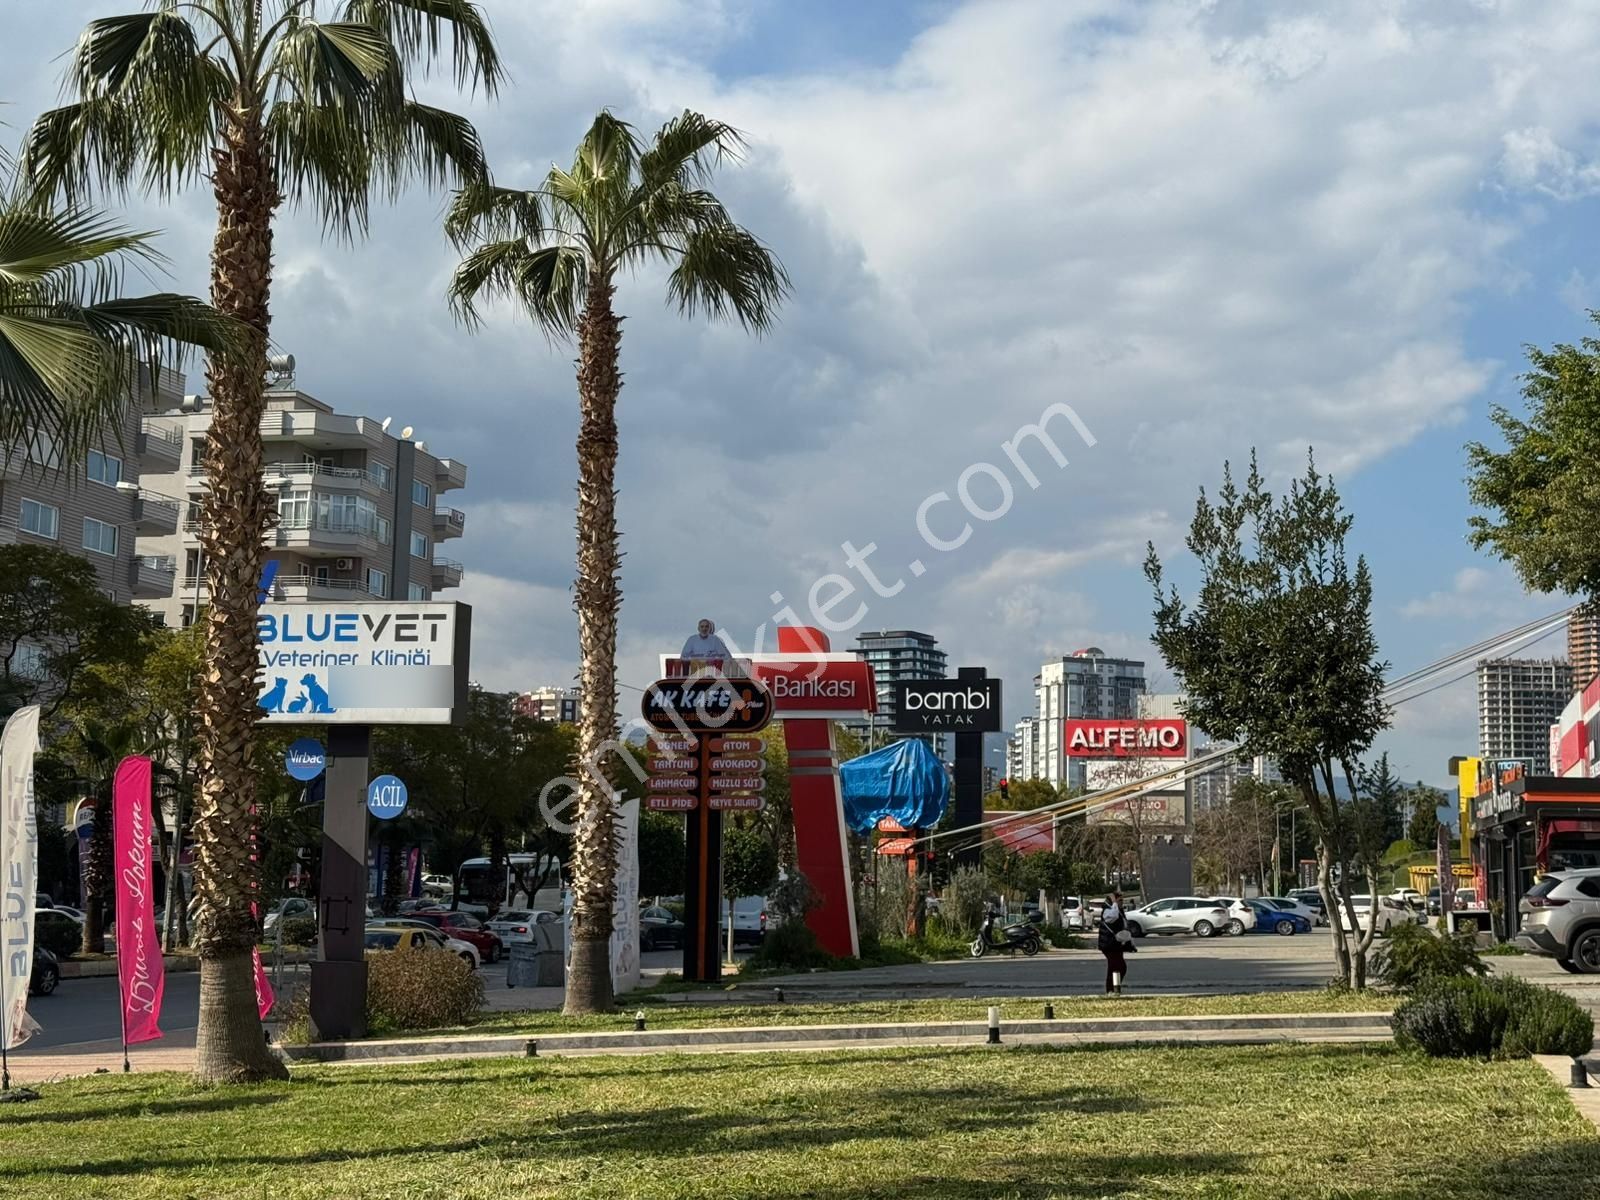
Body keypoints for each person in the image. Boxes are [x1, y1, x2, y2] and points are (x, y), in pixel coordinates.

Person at [1097, 890, 1134, 995]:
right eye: (1120, 900)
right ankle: (1110, 990)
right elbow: (1113, 917)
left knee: (1120, 967)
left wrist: (1130, 943)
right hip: (1109, 944)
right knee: (1115, 967)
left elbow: (1124, 926)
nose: (1122, 902)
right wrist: (1114, 902)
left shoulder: (1118, 910)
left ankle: (1115, 988)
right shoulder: (1108, 911)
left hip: (1117, 944)